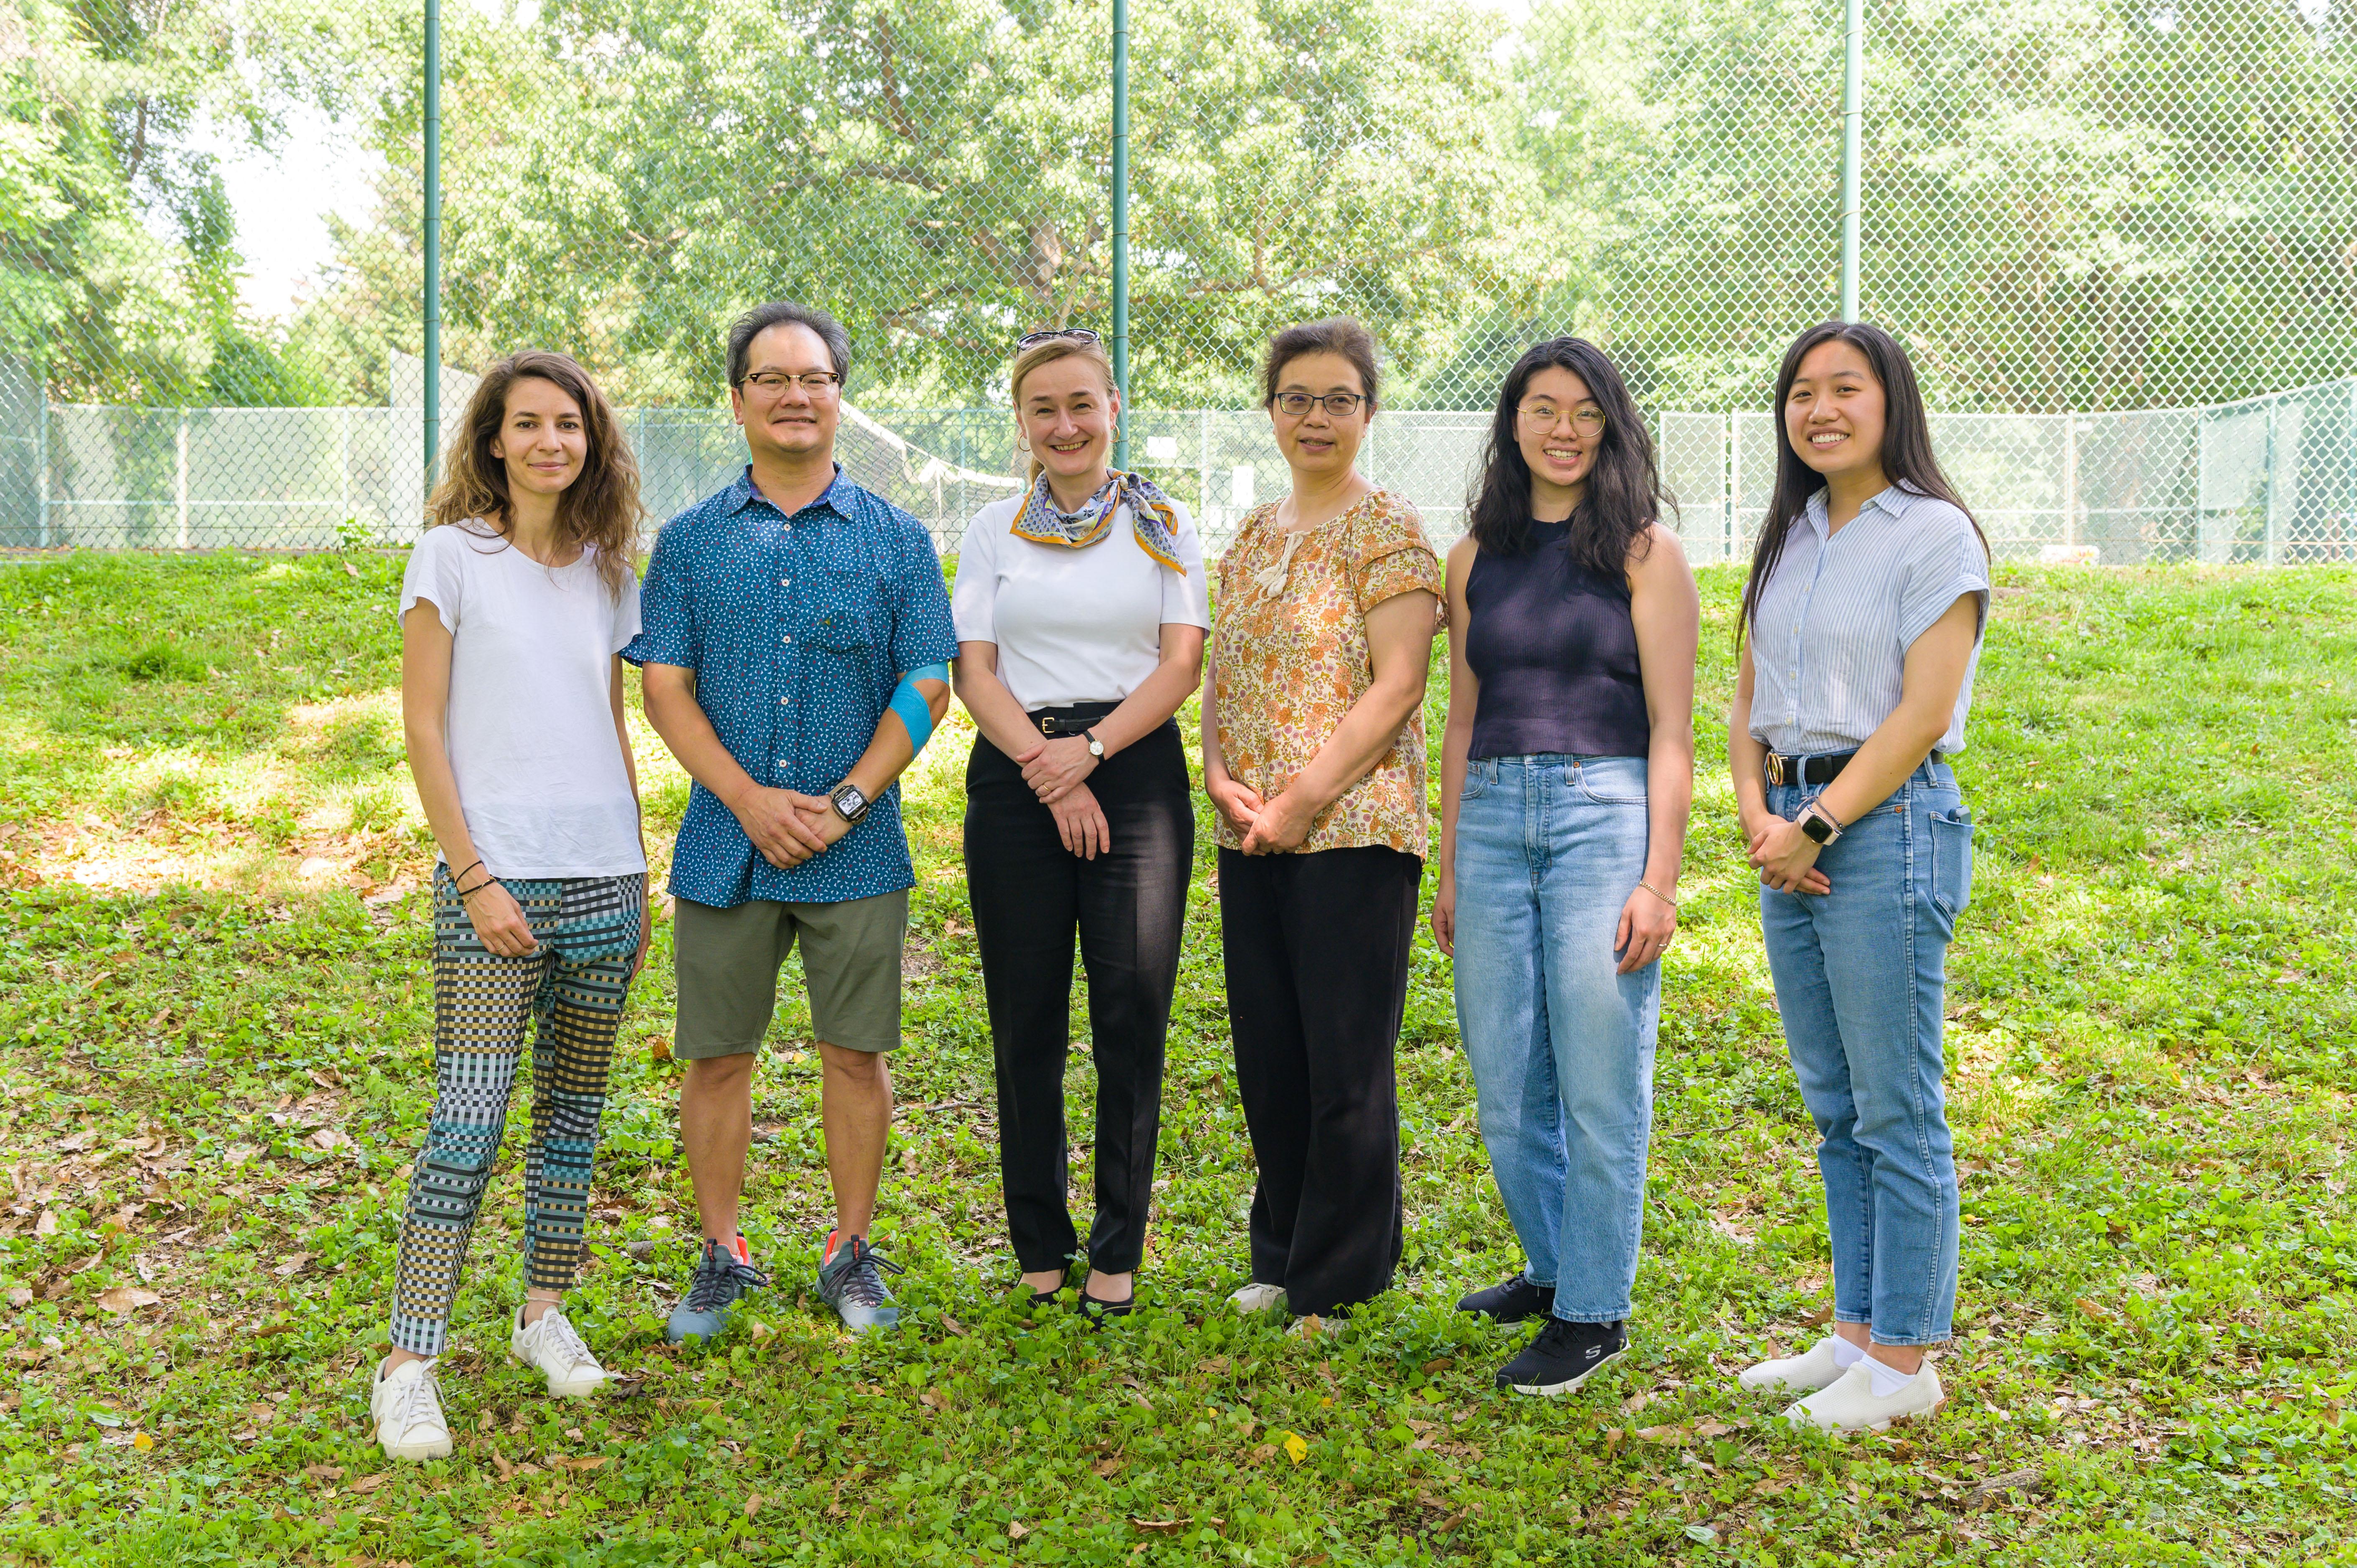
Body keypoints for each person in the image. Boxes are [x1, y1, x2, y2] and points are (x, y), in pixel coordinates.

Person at [624, 300, 955, 1342]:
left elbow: (929, 682)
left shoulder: (897, 540)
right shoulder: (686, 545)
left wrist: (851, 798)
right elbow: (666, 688)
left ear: (839, 398)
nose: (794, 395)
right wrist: (748, 799)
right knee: (716, 1056)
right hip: (728, 845)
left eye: (813, 378)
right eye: (771, 379)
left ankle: (849, 1253)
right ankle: (722, 1255)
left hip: (858, 850)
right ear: (737, 401)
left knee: (855, 1055)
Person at [374, 350, 652, 1462]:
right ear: (491, 439)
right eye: (527, 423)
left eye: (569, 424)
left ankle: (544, 1312)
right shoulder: (450, 557)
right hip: (498, 886)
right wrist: (475, 875)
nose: (550, 441)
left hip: (605, 882)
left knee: (574, 1119)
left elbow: (611, 719)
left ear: (591, 439)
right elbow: (425, 729)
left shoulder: (604, 569)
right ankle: (407, 1365)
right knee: (468, 1121)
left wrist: (640, 870)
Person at [1727, 321, 1989, 1432]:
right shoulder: (1791, 533)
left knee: (1896, 1102)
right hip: (1787, 823)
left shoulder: (1932, 534)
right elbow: (1747, 692)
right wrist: (1758, 812)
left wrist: (1819, 822)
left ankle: (1908, 1358)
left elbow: (1923, 709)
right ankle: (1856, 1333)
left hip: (1880, 825)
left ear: (1891, 404)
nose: (1818, 407)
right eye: (1799, 390)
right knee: (1836, 1104)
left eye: (1845, 388)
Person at [1431, 338, 1700, 1396]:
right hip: (1494, 817)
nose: (1562, 430)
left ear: (1611, 427)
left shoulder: (1643, 553)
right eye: (1541, 409)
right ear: (1511, 425)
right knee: (1505, 1083)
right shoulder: (1472, 557)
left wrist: (1659, 879)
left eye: (1585, 412)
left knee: (1599, 1084)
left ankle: (1594, 1310)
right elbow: (1459, 719)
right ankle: (1551, 1269)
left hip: (1605, 814)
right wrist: (1454, 861)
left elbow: (1673, 729)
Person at [951, 327, 1208, 1320]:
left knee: (1129, 1018)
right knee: (1025, 1022)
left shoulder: (1161, 525)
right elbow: (976, 670)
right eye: (1043, 409)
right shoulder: (991, 529)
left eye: (1081, 405)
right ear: (1022, 423)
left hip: (1133, 771)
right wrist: (1049, 772)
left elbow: (1178, 664)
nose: (1065, 425)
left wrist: (1090, 757)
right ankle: (1037, 1243)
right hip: (1018, 770)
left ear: (1112, 410)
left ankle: (1116, 1247)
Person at [1201, 317, 1443, 1328]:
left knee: (1345, 1058)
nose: (1315, 417)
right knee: (1271, 1054)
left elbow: (1398, 687)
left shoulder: (1387, 530)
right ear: (1270, 411)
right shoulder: (1254, 533)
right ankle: (1284, 1251)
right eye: (1296, 397)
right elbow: (1223, 673)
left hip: (1353, 828)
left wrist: (1303, 800)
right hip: (1250, 831)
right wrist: (1219, 776)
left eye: (1338, 398)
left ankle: (1339, 1278)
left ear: (1368, 413)